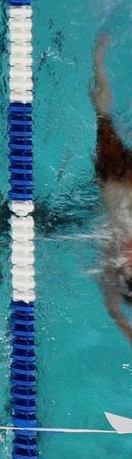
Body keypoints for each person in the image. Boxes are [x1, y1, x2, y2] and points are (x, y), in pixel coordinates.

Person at [93, 35, 132, 347]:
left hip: (116, 181)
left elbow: (113, 310)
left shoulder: (111, 270)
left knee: (103, 119)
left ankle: (99, 62)